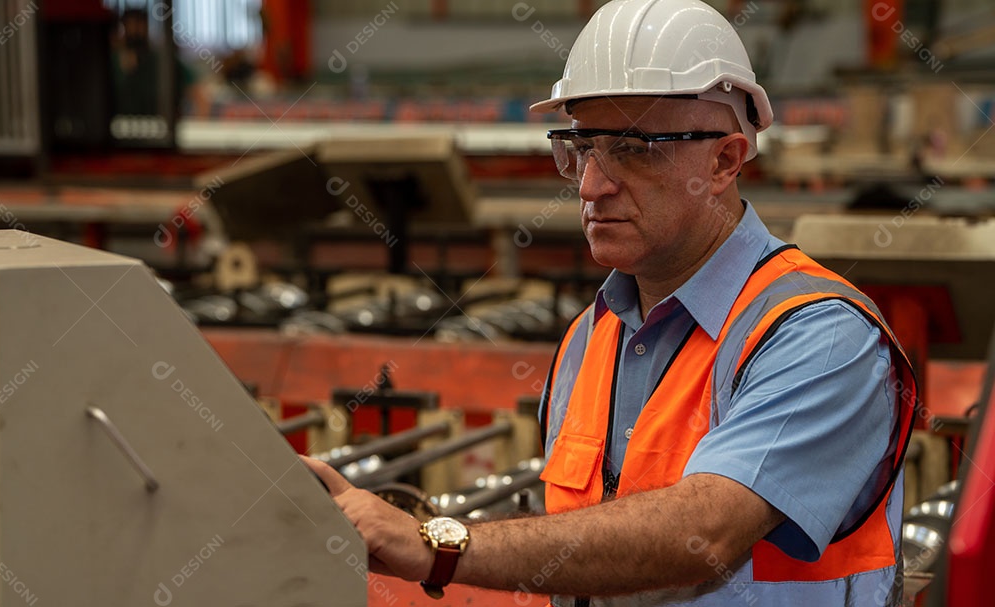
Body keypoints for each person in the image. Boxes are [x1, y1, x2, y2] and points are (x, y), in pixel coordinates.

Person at [304, 0, 917, 605]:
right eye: (580, 148)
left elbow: (701, 533)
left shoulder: (820, 335)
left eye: (632, 148)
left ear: (725, 160)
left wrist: (441, 546)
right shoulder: (587, 339)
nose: (592, 185)